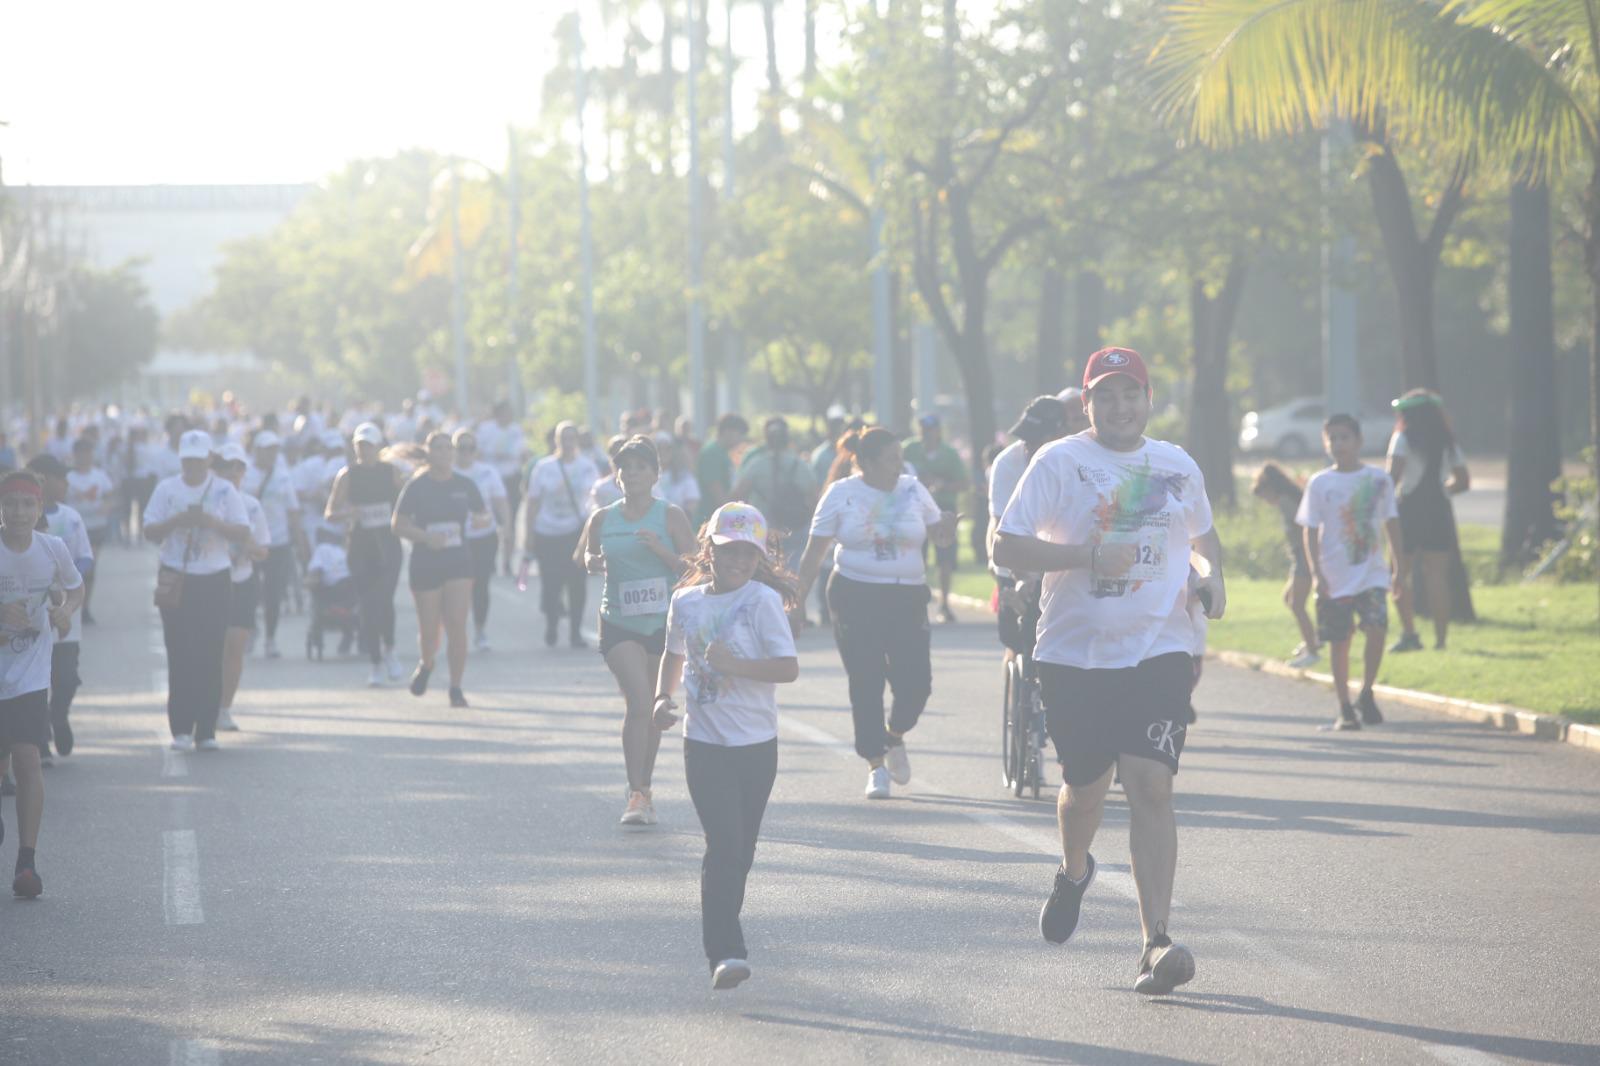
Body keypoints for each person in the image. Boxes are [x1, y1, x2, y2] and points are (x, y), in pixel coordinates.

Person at [993, 347, 1224, 997]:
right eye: (1107, 396)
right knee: (1086, 788)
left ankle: (1155, 942)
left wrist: (1212, 579)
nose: (1121, 406)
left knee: (1152, 786)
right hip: (1074, 654)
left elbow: (1203, 542)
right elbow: (1004, 545)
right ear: (1087, 404)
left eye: (1132, 394)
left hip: (1158, 649)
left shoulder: (1175, 465)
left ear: (1149, 398)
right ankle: (1073, 871)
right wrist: (1088, 555)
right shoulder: (1059, 461)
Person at [653, 501, 800, 990]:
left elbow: (787, 669)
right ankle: (726, 952)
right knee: (724, 845)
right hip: (705, 743)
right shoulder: (687, 602)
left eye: (748, 554)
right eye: (729, 551)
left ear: (759, 557)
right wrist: (661, 698)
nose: (739, 561)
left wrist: (736, 665)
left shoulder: (761, 602)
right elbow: (674, 655)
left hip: (757, 745)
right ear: (709, 550)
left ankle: (725, 938)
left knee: (743, 850)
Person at [794, 427, 958, 800]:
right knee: (866, 679)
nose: (900, 465)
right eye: (891, 459)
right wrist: (798, 602)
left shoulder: (913, 489)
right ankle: (874, 764)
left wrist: (946, 528)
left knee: (916, 684)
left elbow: (939, 536)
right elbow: (813, 552)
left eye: (901, 458)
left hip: (907, 596)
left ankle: (894, 735)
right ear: (865, 463)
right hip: (856, 594)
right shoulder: (842, 494)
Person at [577, 436, 697, 826]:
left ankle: (643, 787)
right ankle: (635, 793)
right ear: (616, 475)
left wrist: (661, 552)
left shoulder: (670, 516)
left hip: (662, 624)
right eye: (625, 467)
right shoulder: (602, 518)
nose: (632, 474)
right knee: (641, 703)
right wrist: (594, 560)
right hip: (618, 621)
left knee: (653, 710)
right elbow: (584, 557)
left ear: (655, 474)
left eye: (640, 467)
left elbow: (696, 567)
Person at [0, 470, 84, 898]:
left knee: (28, 759)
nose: (17, 512)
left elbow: (75, 587)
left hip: (31, 673)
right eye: (10, 503)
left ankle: (26, 862)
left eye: (26, 504)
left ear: (38, 509)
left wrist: (65, 610)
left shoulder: (52, 548)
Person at [144, 430, 251, 752]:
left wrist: (210, 522)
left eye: (198, 458)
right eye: (187, 459)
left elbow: (242, 531)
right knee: (180, 653)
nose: (192, 464)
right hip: (177, 576)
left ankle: (206, 730)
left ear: (209, 458)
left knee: (210, 651)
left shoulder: (223, 490)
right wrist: (178, 520)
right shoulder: (167, 489)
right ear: (181, 459)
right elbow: (150, 530)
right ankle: (180, 728)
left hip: (215, 578)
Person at [1299, 414, 1402, 730]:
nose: (1339, 444)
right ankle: (1344, 705)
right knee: (1339, 641)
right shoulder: (1320, 483)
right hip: (1335, 575)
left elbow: (1391, 523)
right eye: (1333, 438)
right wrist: (1316, 572)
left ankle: (1367, 692)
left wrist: (1398, 566)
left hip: (1371, 571)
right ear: (1326, 443)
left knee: (1377, 628)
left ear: (1358, 441)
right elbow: (1310, 529)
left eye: (1345, 437)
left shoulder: (1378, 480)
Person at [393, 431, 489, 707]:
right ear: (429, 452)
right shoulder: (417, 486)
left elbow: (483, 514)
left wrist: (482, 520)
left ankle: (456, 687)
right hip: (426, 563)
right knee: (429, 628)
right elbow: (397, 524)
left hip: (459, 561)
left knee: (457, 625)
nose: (445, 453)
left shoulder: (466, 485)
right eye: (439, 448)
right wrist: (425, 537)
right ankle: (427, 662)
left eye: (449, 448)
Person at [986, 397, 1074, 663]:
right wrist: (1021, 576)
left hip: (1058, 559)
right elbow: (1001, 525)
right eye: (1025, 439)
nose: (1028, 446)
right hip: (1016, 558)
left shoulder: (1076, 460)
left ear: (1060, 434)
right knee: (1013, 636)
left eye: (1037, 439)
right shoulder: (1007, 463)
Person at [1387, 389, 1470, 652]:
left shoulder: (1402, 438)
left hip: (1408, 510)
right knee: (1437, 577)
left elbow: (1392, 478)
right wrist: (1444, 489)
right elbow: (1463, 481)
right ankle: (1441, 640)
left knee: (1399, 574)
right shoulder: (1447, 440)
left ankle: (1410, 633)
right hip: (1439, 510)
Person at [325, 423, 406, 686]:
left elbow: (407, 501)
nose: (364, 451)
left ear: (378, 447)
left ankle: (390, 650)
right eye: (360, 446)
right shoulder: (347, 475)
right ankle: (374, 662)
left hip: (388, 543)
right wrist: (350, 514)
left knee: (384, 599)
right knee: (369, 605)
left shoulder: (391, 472)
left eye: (369, 446)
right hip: (360, 546)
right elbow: (330, 512)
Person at [26, 456, 94, 761]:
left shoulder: (71, 517)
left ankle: (58, 715)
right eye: (61, 478)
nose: (67, 485)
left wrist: (68, 577)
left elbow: (85, 557)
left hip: (65, 613)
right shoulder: (16, 521)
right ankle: (38, 740)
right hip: (30, 621)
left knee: (65, 678)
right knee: (33, 681)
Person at [523, 422, 599, 648]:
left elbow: (595, 499)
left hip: (575, 531)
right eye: (562, 437)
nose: (567, 442)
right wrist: (529, 534)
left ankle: (575, 631)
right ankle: (552, 624)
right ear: (556, 441)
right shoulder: (543, 467)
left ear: (577, 440)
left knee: (577, 583)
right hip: (547, 532)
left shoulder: (587, 466)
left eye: (571, 437)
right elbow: (533, 502)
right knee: (551, 583)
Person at [216, 443, 270, 729]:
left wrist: (245, 544)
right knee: (212, 648)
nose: (233, 473)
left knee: (235, 647)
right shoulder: (210, 502)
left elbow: (263, 551)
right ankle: (207, 704)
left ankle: (224, 709)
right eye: (227, 467)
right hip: (212, 582)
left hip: (243, 581)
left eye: (238, 467)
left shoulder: (251, 505)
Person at [1251, 463, 1320, 668]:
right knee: (1288, 598)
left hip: (1304, 556)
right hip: (1299, 557)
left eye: (1264, 495)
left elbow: (1305, 528)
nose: (1265, 501)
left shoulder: (1287, 502)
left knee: (1296, 604)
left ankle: (1313, 651)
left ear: (1271, 488)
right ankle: (1312, 639)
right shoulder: (1289, 499)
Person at [242, 430, 304, 659]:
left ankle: (270, 638)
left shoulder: (283, 475)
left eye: (274, 449)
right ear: (257, 450)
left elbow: (293, 510)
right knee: (248, 592)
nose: (271, 454)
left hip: (277, 543)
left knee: (273, 593)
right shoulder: (245, 473)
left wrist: (299, 542)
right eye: (267, 449)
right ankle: (251, 630)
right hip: (249, 543)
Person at [902, 414, 967, 622]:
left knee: (945, 558)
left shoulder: (949, 453)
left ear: (939, 430)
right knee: (916, 555)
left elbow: (963, 483)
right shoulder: (909, 449)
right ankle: (914, 602)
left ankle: (944, 604)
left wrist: (941, 484)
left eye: (931, 429)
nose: (927, 433)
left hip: (942, 507)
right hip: (915, 508)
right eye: (923, 428)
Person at [731, 417, 818, 571]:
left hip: (763, 528)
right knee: (792, 572)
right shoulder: (801, 466)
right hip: (795, 526)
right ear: (787, 439)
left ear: (767, 440)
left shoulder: (757, 464)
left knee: (766, 572)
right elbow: (814, 500)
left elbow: (737, 495)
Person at [453, 429, 511, 652]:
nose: (465, 452)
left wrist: (507, 528)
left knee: (480, 586)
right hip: (456, 540)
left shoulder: (487, 472)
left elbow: (500, 502)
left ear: (476, 451)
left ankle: (479, 630)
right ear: (454, 450)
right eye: (461, 448)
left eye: (470, 448)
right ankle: (457, 630)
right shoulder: (448, 473)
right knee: (458, 587)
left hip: (484, 538)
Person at [65, 437, 115, 626]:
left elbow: (111, 496)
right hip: (72, 530)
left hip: (95, 527)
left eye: (87, 453)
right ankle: (71, 605)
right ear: (75, 455)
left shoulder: (99, 476)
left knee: (89, 569)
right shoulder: (68, 478)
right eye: (80, 453)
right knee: (72, 569)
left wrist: (107, 506)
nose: (84, 457)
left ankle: (85, 608)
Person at [477, 401, 527, 577]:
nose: (509, 416)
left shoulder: (516, 430)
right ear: (497, 414)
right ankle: (490, 561)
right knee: (490, 521)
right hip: (491, 479)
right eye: (505, 413)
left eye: (510, 413)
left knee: (509, 522)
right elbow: (479, 453)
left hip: (511, 479)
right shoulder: (486, 429)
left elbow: (522, 454)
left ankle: (507, 562)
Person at [695, 414, 749, 526]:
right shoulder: (712, 453)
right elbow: (716, 492)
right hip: (710, 520)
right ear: (727, 432)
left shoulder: (722, 452)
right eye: (740, 435)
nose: (741, 440)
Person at [657, 433, 702, 519]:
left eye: (667, 448)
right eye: (659, 448)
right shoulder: (646, 476)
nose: (663, 452)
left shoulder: (686, 477)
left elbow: (692, 506)